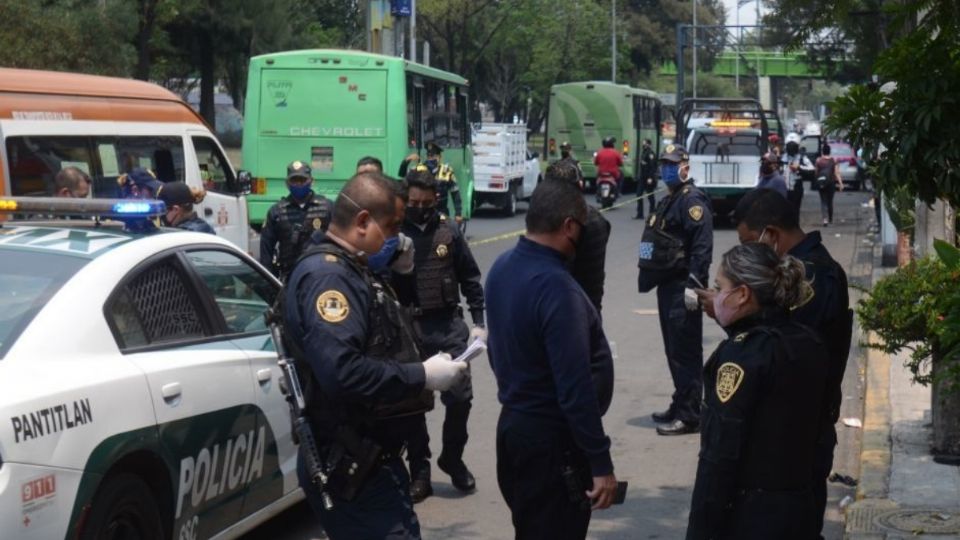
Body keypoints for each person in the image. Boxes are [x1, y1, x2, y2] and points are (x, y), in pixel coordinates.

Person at [284, 172, 468, 540]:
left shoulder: (350, 268)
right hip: (350, 458)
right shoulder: (329, 279)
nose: (398, 237)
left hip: (371, 455)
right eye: (393, 226)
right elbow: (343, 372)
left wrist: (398, 273)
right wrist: (423, 376)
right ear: (364, 222)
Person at [486, 179, 617, 539]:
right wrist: (600, 461)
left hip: (514, 429)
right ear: (569, 227)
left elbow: (497, 353)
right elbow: (575, 389)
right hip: (551, 443)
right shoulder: (557, 288)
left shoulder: (501, 267)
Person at [724, 189, 853, 539]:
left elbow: (782, 355)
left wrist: (733, 319)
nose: (749, 256)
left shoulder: (811, 276)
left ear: (772, 235)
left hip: (796, 431)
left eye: (751, 244)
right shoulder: (809, 268)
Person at [686, 243, 829, 540]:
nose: (715, 296)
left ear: (742, 294)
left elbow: (719, 456)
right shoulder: (807, 341)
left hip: (751, 516)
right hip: (801, 508)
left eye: (719, 287)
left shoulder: (741, 357)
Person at [390, 168, 486, 503]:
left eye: (425, 202)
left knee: (460, 399)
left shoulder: (450, 231)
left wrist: (479, 321)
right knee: (413, 405)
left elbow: (470, 278)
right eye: (413, 202)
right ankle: (421, 471)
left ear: (435, 200)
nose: (419, 207)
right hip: (410, 327)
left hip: (448, 327)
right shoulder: (394, 233)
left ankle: (452, 457)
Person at [636, 144, 713, 436]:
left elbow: (702, 246)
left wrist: (695, 284)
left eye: (672, 164)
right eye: (664, 164)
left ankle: (690, 414)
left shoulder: (691, 201)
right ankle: (681, 401)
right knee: (673, 350)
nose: (667, 169)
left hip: (683, 285)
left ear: (685, 167)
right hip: (666, 283)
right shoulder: (670, 199)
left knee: (685, 352)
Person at [546, 160, 612, 314]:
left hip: (563, 311)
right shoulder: (597, 219)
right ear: (580, 185)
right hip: (590, 307)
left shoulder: (554, 220)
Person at [260, 160, 333, 281]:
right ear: (287, 183)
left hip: (321, 274)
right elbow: (266, 251)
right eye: (294, 181)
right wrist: (268, 281)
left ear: (311, 181)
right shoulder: (277, 212)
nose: (298, 184)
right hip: (289, 275)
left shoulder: (327, 207)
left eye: (302, 180)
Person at [399, 143, 463, 226]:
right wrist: (406, 161)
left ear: (439, 157)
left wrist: (458, 213)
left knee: (445, 233)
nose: (431, 159)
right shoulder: (419, 169)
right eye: (429, 156)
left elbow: (455, 193)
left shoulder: (446, 171)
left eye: (433, 156)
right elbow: (402, 175)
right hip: (423, 211)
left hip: (441, 212)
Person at [782, 133, 815, 211]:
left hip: (796, 189)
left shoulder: (802, 158)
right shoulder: (782, 158)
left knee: (795, 210)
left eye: (793, 146)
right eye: (789, 146)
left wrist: (799, 168)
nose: (791, 148)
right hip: (784, 189)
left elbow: (812, 170)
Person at [814, 144, 844, 226]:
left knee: (823, 201)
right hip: (831, 183)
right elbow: (836, 172)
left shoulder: (818, 160)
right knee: (830, 201)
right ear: (829, 151)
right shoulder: (833, 160)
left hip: (821, 183)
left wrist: (817, 180)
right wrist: (840, 183)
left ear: (822, 151)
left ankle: (825, 219)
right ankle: (830, 218)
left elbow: (816, 173)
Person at [635, 139, 658, 220]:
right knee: (638, 195)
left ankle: (652, 214)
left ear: (649, 144)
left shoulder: (651, 153)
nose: (643, 144)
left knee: (650, 196)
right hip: (642, 177)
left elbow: (653, 166)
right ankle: (639, 214)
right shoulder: (644, 152)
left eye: (644, 143)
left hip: (648, 178)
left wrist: (650, 177)